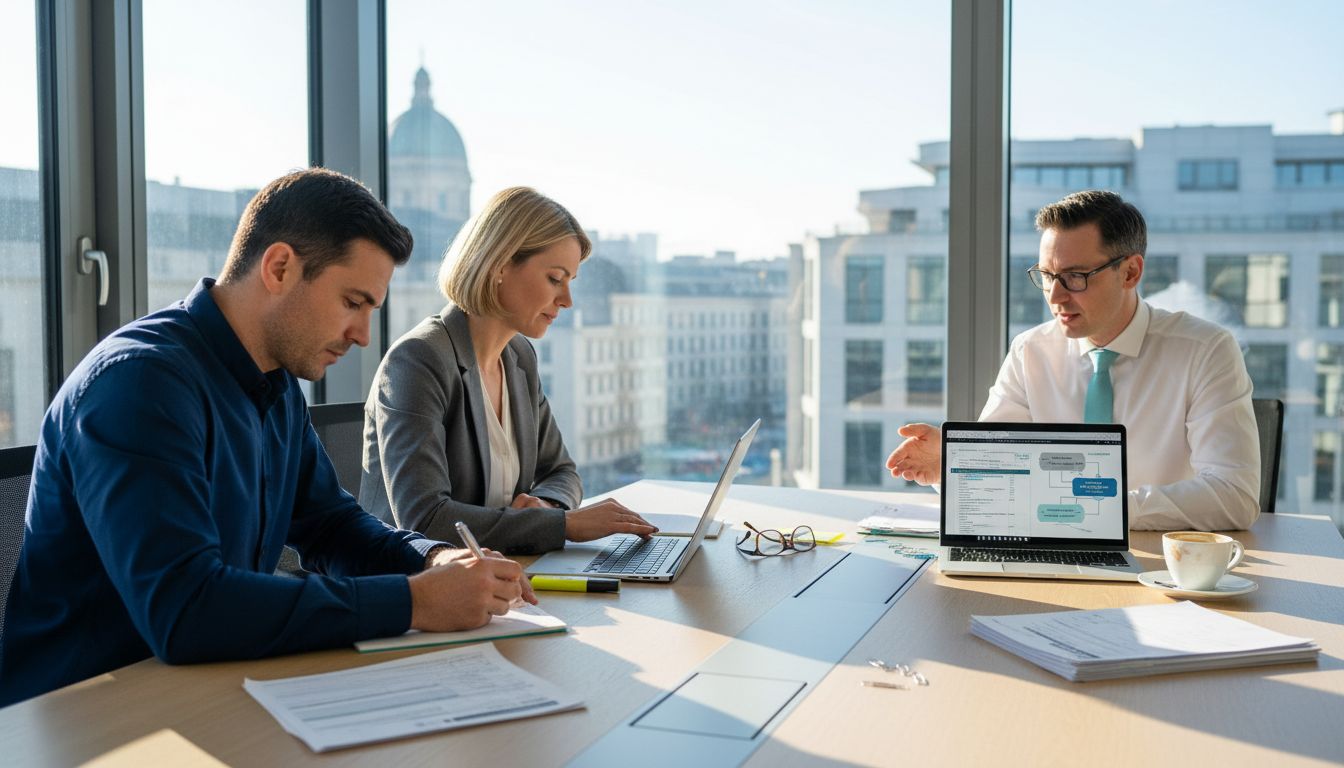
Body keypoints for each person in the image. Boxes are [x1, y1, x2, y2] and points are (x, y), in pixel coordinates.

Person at [0, 169, 534, 707]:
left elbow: (331, 526)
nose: (363, 335)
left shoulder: (275, 385)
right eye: (352, 302)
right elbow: (185, 609)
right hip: (81, 717)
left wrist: (433, 560)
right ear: (279, 267)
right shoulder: (139, 384)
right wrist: (412, 602)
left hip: (206, 688)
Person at [886, 190, 1260, 531]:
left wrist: (1102, 510)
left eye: (1075, 277)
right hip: (1051, 546)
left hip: (1161, 564)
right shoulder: (1030, 352)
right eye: (1047, 276)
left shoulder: (1205, 350)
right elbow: (998, 478)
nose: (1056, 297)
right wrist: (954, 468)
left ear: (1130, 272)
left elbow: (1233, 497)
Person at [360, 187, 656, 553]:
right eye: (554, 278)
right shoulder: (418, 360)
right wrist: (561, 525)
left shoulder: (518, 358)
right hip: (415, 589)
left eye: (570, 282)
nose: (566, 301)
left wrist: (546, 506)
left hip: (501, 574)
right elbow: (425, 519)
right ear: (500, 265)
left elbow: (562, 472)